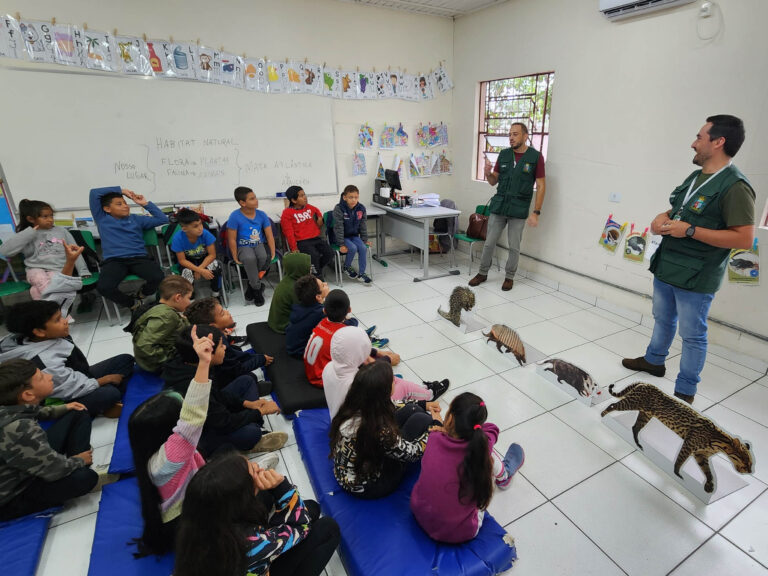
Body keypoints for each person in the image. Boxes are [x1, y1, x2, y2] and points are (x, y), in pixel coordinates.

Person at [622, 115, 756, 404]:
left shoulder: (735, 187)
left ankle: (685, 392)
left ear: (718, 142)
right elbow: (678, 209)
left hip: (697, 276)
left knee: (693, 335)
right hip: (668, 265)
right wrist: (663, 217)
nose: (693, 143)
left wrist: (692, 231)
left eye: (699, 137)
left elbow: (743, 239)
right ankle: (654, 361)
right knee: (662, 319)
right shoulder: (696, 176)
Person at [128, 326, 279, 557]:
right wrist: (204, 363)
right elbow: (193, 417)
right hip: (196, 516)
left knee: (231, 454)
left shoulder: (148, 454)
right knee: (264, 495)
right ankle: (256, 476)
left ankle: (253, 468)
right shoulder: (171, 457)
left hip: (193, 494)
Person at [174, 451, 340, 576]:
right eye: (254, 470)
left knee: (310, 508)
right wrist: (281, 486)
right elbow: (300, 526)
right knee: (327, 528)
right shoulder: (250, 543)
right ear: (242, 498)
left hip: (236, 564)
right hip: (250, 560)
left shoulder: (197, 519)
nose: (259, 468)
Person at [410, 392, 524, 543]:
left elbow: (441, 429)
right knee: (486, 454)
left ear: (450, 418)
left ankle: (504, 475)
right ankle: (504, 477)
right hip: (457, 532)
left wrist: (442, 426)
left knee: (482, 452)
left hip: (419, 511)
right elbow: (493, 429)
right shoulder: (482, 445)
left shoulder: (434, 438)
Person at [161, 325, 285, 457]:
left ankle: (252, 423)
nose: (225, 347)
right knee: (252, 433)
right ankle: (248, 441)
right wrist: (261, 411)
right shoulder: (192, 388)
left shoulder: (193, 364)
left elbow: (218, 395)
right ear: (207, 353)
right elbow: (223, 423)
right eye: (221, 346)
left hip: (213, 413)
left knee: (247, 381)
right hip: (201, 436)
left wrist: (247, 403)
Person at [0, 358, 98, 521]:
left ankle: (74, 465)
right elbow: (54, 471)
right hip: (11, 496)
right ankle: (77, 467)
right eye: (41, 377)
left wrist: (64, 407)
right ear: (27, 394)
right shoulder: (21, 429)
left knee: (77, 412)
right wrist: (78, 461)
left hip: (23, 463)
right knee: (86, 479)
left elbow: (33, 411)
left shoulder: (7, 405)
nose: (49, 377)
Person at [0, 300, 133, 418]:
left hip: (74, 377)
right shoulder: (44, 362)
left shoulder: (37, 335)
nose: (65, 321)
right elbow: (69, 388)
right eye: (57, 320)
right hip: (63, 396)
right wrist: (105, 380)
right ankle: (103, 406)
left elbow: (62, 291)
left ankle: (105, 403)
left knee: (125, 360)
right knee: (110, 393)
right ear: (39, 332)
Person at [329, 361, 441, 499]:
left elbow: (392, 404)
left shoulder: (355, 405)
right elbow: (413, 453)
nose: (395, 381)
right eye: (392, 381)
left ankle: (420, 415)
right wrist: (434, 428)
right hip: (369, 484)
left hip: (347, 471)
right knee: (422, 420)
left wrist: (423, 404)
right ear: (384, 391)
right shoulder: (380, 430)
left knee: (414, 410)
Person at [469, 122, 546, 291]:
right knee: (489, 243)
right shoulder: (503, 155)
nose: (511, 137)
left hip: (518, 209)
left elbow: (541, 186)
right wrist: (488, 172)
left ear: (526, 136)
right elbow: (493, 181)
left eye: (515, 134)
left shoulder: (535, 157)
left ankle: (509, 277)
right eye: (510, 134)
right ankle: (482, 273)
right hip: (499, 206)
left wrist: (536, 212)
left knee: (514, 246)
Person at [322, 326, 446, 419]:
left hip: (340, 418)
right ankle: (429, 395)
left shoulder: (329, 367)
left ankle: (423, 391)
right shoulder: (358, 383)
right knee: (401, 386)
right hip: (362, 426)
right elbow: (385, 403)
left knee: (394, 380)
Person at [0, 199, 90, 319]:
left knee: (35, 291)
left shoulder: (61, 231)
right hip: (35, 270)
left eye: (51, 216)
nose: (50, 219)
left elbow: (75, 251)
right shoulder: (26, 234)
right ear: (31, 219)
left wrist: (83, 270)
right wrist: (29, 233)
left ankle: (47, 319)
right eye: (45, 217)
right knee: (40, 278)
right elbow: (4, 251)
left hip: (58, 270)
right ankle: (61, 314)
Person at [89, 186, 168, 310]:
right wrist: (121, 190)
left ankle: (142, 293)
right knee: (104, 287)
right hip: (114, 261)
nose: (125, 206)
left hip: (139, 258)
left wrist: (145, 204)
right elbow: (94, 193)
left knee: (158, 277)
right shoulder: (102, 219)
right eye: (119, 204)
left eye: (125, 203)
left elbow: (163, 219)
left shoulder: (136, 219)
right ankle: (132, 303)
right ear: (107, 209)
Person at [304, 289, 398, 387]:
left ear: (324, 311)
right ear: (349, 310)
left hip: (312, 372)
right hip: (325, 381)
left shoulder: (322, 322)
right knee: (373, 375)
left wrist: (378, 352)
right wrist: (388, 360)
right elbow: (365, 364)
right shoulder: (344, 334)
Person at [184, 297, 272, 394]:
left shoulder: (212, 335)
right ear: (213, 326)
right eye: (222, 313)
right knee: (250, 377)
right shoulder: (218, 346)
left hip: (223, 370)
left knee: (236, 349)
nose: (228, 312)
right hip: (221, 381)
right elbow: (237, 370)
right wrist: (261, 360)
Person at [129, 275, 193, 373]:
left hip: (154, 357)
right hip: (158, 364)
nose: (189, 302)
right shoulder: (167, 316)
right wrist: (168, 360)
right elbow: (143, 346)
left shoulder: (158, 307)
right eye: (189, 298)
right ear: (178, 297)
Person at [226, 187, 276, 306]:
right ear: (242, 203)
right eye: (252, 199)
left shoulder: (262, 215)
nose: (256, 200)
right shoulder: (234, 216)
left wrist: (273, 252)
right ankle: (257, 290)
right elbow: (231, 239)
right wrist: (234, 256)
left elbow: (269, 236)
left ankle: (251, 285)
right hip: (243, 246)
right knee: (249, 259)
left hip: (259, 243)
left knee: (263, 257)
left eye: (255, 197)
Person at [280, 186, 333, 281]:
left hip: (315, 238)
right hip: (302, 241)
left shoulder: (308, 207)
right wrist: (294, 248)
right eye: (301, 196)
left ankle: (315, 270)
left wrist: (320, 217)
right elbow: (288, 232)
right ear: (293, 200)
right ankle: (317, 278)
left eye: (304, 194)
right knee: (314, 256)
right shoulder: (287, 213)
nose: (305, 197)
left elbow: (316, 210)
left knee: (329, 253)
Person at [171, 208, 222, 298]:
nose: (200, 228)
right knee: (186, 273)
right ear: (184, 228)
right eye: (195, 226)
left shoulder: (206, 234)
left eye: (200, 224)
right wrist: (199, 270)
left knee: (216, 267)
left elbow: (212, 255)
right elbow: (182, 260)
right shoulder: (178, 238)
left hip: (204, 259)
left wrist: (200, 268)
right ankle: (190, 296)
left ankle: (215, 293)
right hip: (188, 261)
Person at [332, 185, 372, 284]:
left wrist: (364, 239)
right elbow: (338, 228)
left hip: (354, 236)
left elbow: (363, 225)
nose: (354, 200)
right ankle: (346, 266)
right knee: (353, 248)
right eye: (351, 197)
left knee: (363, 247)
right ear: (344, 197)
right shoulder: (339, 208)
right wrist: (341, 244)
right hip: (343, 237)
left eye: (356, 197)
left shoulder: (361, 208)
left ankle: (362, 273)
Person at [285, 274, 330, 357]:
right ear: (318, 297)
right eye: (323, 285)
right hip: (302, 352)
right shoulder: (320, 313)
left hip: (292, 346)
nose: (326, 283)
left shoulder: (299, 306)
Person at [268, 252, 312, 334]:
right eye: (308, 266)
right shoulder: (295, 288)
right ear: (299, 268)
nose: (310, 268)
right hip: (283, 326)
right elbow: (305, 311)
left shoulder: (288, 280)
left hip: (276, 322)